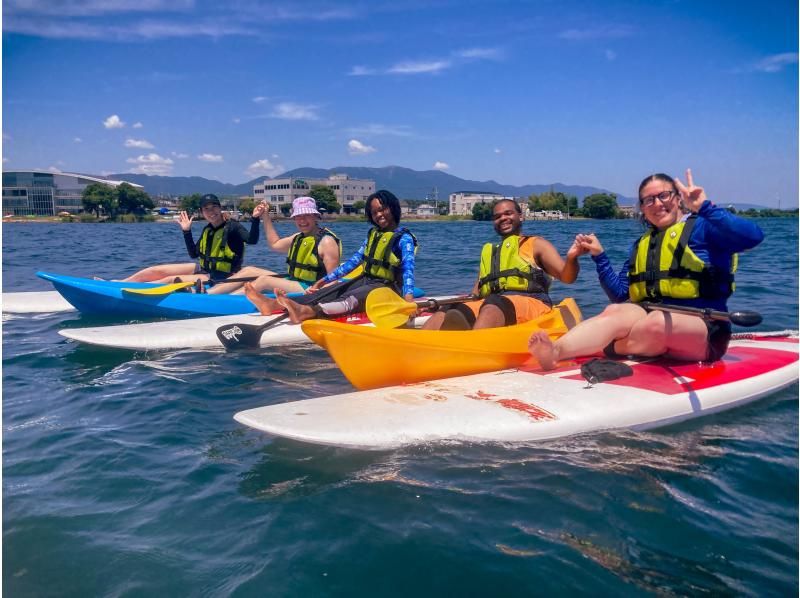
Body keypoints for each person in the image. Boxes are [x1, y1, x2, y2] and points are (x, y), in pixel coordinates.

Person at [529, 169, 764, 369]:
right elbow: (621, 295)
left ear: (679, 197)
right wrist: (599, 257)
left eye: (664, 195)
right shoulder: (642, 244)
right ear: (642, 207)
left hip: (704, 331)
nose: (657, 204)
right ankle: (555, 352)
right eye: (648, 200)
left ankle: (606, 347)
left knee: (659, 322)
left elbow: (753, 236)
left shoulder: (704, 228)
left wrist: (705, 207)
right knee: (615, 311)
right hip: (649, 323)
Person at [244, 189, 416, 322]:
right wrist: (323, 281)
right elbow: (353, 263)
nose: (379, 215)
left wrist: (408, 301)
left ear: (393, 208)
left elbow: (408, 270)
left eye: (383, 209)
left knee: (349, 299)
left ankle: (308, 312)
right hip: (367, 279)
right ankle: (272, 305)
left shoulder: (404, 239)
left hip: (389, 288)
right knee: (329, 291)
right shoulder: (374, 235)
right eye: (374, 212)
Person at [422, 198, 581, 331]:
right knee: (450, 310)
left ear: (521, 216)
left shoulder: (536, 244)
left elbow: (567, 277)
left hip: (534, 304)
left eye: (508, 213)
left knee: (493, 304)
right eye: (497, 216)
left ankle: (476, 350)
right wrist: (445, 305)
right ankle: (420, 349)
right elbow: (476, 295)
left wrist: (572, 258)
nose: (503, 218)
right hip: (495, 304)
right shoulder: (491, 253)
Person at [121, 194, 264, 293]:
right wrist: (186, 231)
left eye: (214, 207)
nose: (211, 211)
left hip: (223, 276)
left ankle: (137, 292)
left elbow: (252, 240)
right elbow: (194, 254)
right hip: (206, 270)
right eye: (206, 209)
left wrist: (255, 219)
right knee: (156, 270)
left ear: (220, 208)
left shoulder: (233, 227)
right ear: (202, 212)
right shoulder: (208, 229)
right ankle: (119, 283)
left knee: (170, 279)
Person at [229, 196, 342, 295]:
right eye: (298, 216)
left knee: (264, 280)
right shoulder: (299, 237)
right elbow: (275, 244)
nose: (302, 220)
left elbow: (333, 280)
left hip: (310, 288)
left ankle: (227, 301)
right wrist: (265, 216)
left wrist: (315, 292)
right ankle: (212, 293)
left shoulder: (327, 241)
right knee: (249, 270)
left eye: (307, 215)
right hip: (295, 281)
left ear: (315, 216)